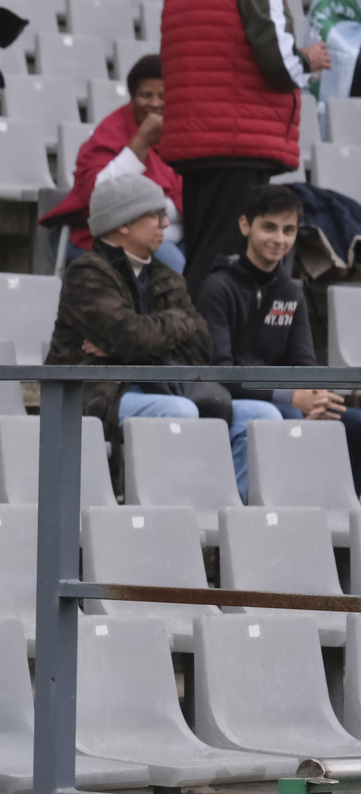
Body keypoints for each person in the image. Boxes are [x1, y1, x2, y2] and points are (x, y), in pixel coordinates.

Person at [46, 173, 281, 500]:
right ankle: (165, 512)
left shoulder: (165, 275)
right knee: (179, 412)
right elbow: (133, 337)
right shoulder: (87, 273)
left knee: (263, 415)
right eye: (155, 215)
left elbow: (201, 346)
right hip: (97, 394)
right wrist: (165, 328)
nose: (165, 222)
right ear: (124, 223)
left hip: (169, 387)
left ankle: (231, 515)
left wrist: (135, 341)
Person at [196, 183, 361, 492]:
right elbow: (222, 371)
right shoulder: (218, 287)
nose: (279, 239)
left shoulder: (291, 292)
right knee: (282, 415)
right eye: (269, 228)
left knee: (354, 423)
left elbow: (303, 365)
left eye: (289, 230)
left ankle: (340, 520)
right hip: (238, 401)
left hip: (284, 401)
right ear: (245, 225)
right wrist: (290, 398)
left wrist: (315, 398)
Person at [161, 0, 331, 297]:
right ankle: (202, 341)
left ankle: (190, 337)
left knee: (205, 255)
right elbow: (281, 64)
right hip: (237, 136)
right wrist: (306, 60)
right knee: (224, 263)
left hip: (200, 134)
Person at [41, 54, 188, 274]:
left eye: (163, 96)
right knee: (173, 267)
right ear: (132, 98)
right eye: (146, 95)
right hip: (117, 238)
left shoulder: (180, 134)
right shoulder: (112, 132)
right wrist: (141, 142)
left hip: (176, 236)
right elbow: (100, 196)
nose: (155, 104)